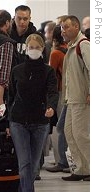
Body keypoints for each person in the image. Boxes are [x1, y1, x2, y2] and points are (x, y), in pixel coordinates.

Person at [8, 33, 59, 192]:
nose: (34, 50)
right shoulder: (17, 70)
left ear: (42, 50)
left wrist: (51, 106)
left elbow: (53, 92)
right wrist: (7, 121)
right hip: (18, 121)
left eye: (37, 47)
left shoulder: (48, 71)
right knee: (25, 161)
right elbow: (10, 97)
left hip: (40, 121)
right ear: (26, 49)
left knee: (35, 163)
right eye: (31, 47)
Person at [61, 15, 90, 181]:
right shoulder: (72, 47)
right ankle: (82, 168)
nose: (63, 31)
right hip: (72, 98)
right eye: (62, 27)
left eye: (66, 27)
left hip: (82, 98)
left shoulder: (83, 45)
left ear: (76, 27)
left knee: (81, 134)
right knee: (70, 133)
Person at [45, 25, 69, 173]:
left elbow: (50, 75)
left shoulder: (55, 54)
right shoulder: (68, 49)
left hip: (59, 92)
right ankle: (64, 159)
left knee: (60, 128)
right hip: (67, 91)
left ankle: (62, 161)